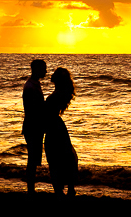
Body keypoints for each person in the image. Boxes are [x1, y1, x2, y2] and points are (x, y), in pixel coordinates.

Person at [44, 66, 78, 196]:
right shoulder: (62, 93)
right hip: (57, 125)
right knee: (64, 156)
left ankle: (59, 189)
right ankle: (69, 187)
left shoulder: (58, 94)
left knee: (54, 158)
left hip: (53, 127)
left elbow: (47, 110)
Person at [21, 58, 47, 193]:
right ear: (37, 69)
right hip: (33, 126)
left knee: (34, 158)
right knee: (32, 158)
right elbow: (33, 109)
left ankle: (31, 188)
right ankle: (30, 189)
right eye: (44, 69)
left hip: (34, 125)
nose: (46, 71)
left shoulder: (34, 84)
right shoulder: (31, 87)